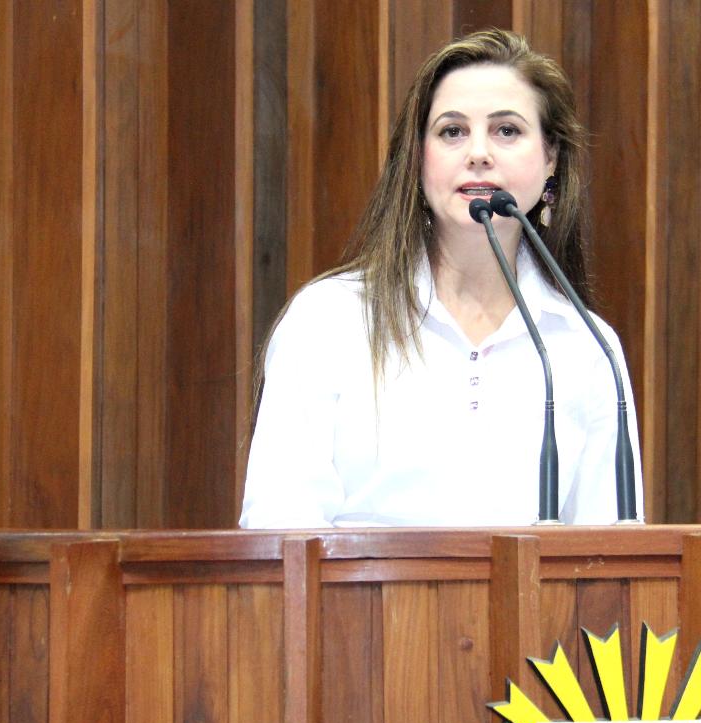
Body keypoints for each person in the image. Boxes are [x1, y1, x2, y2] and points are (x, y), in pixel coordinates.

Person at [239, 29, 643, 528]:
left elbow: (607, 564)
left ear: (551, 159)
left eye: (507, 131)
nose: (478, 152)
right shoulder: (328, 321)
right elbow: (279, 533)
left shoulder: (587, 345)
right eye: (452, 131)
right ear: (418, 158)